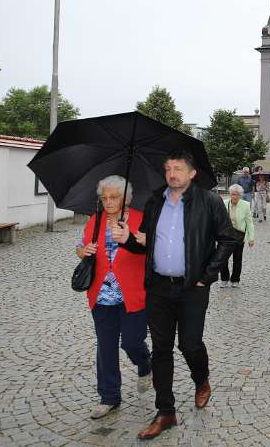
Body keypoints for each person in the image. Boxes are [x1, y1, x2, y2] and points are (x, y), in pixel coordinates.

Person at [120, 150, 237, 440]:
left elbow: (229, 238)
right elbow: (145, 245)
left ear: (192, 173)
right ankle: (165, 412)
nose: (172, 174)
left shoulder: (209, 201)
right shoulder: (154, 202)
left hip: (192, 288)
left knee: (190, 344)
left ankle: (201, 380)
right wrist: (128, 240)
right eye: (168, 168)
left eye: (178, 169)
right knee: (161, 349)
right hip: (158, 286)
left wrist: (206, 276)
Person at [77, 176, 151, 420]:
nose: (108, 202)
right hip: (101, 295)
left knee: (132, 342)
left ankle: (145, 363)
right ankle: (109, 396)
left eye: (114, 197)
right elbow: (80, 246)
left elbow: (152, 248)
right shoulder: (94, 221)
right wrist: (83, 251)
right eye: (104, 198)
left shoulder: (141, 218)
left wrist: (134, 239)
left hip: (133, 293)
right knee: (105, 348)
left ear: (126, 198)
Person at [219, 184, 255, 288]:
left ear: (240, 195)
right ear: (230, 194)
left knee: (237, 259)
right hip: (225, 236)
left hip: (238, 236)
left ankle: (235, 280)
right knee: (223, 258)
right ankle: (224, 279)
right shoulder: (224, 203)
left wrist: (251, 238)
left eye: (237, 195)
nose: (234, 197)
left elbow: (249, 222)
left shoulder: (246, 205)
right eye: (232, 194)